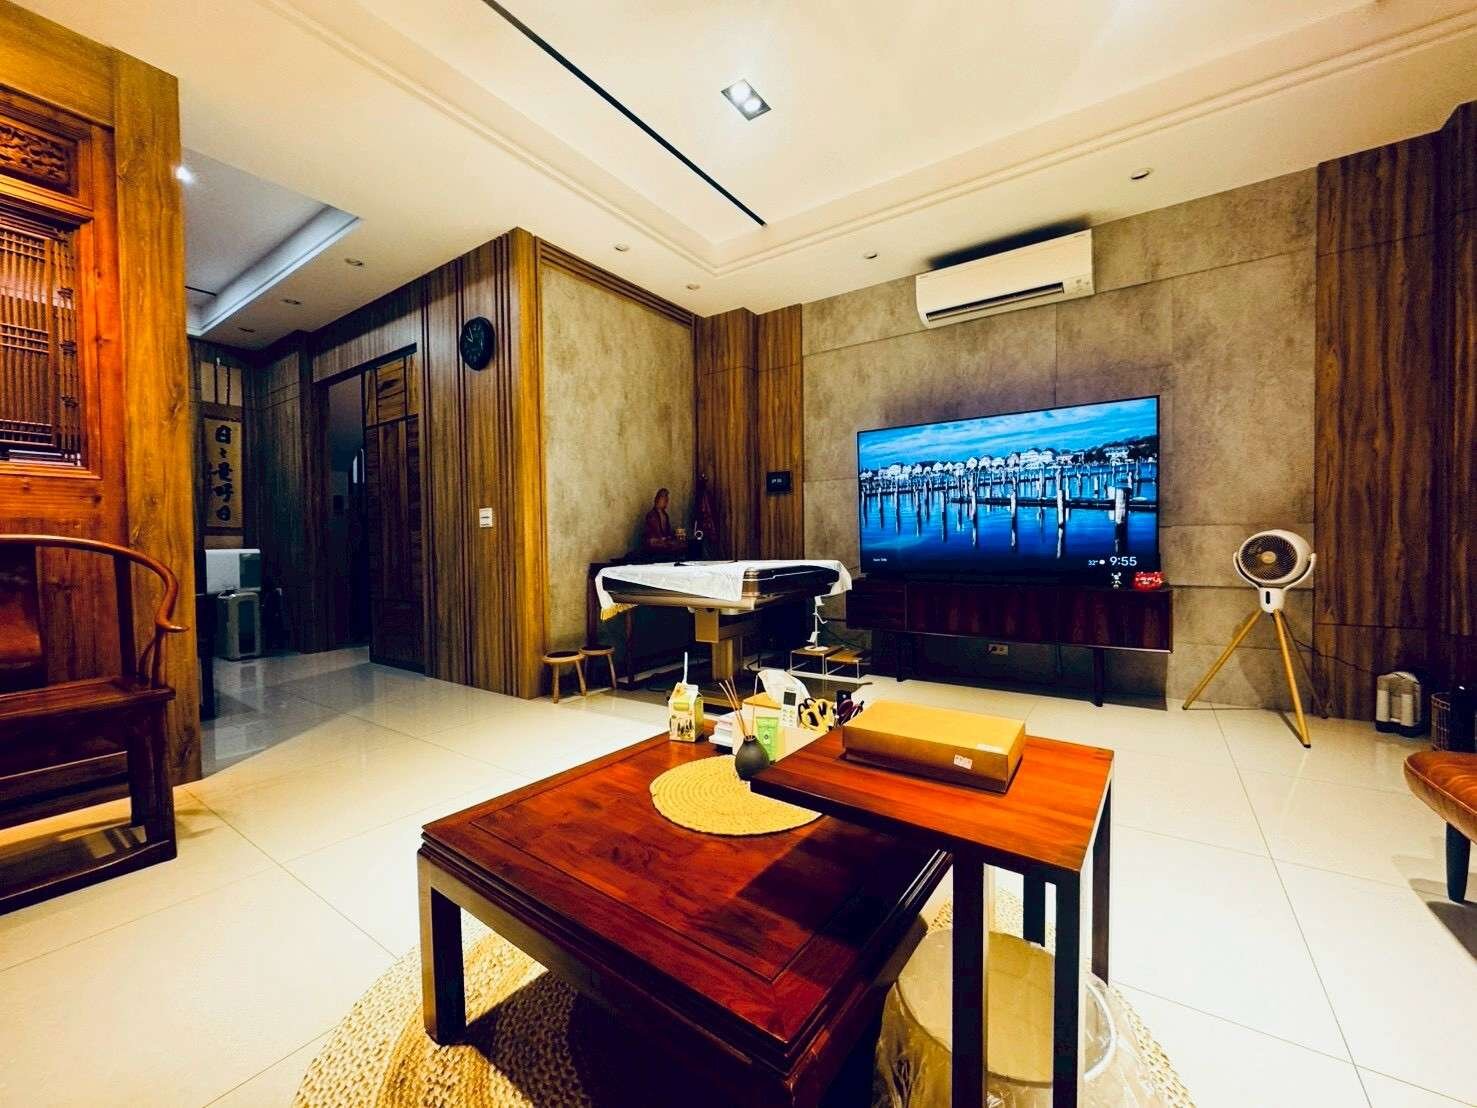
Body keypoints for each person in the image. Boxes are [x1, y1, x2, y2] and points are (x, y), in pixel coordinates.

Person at [642, 488, 685, 555]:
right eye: (664, 498)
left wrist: (671, 537)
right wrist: (664, 540)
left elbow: (667, 532)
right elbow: (654, 535)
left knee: (681, 544)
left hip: (664, 541)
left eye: (666, 499)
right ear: (657, 499)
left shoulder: (665, 515)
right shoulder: (651, 515)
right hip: (655, 543)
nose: (666, 501)